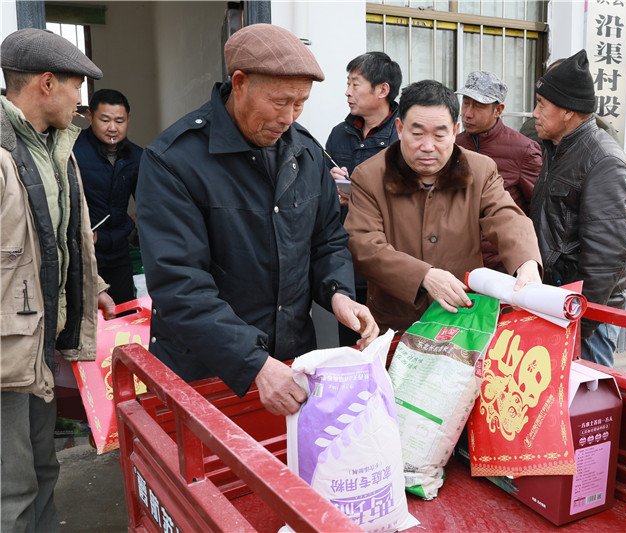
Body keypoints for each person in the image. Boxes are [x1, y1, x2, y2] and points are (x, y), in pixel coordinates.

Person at [136, 24, 378, 417]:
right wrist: (255, 363)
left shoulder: (305, 152)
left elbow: (327, 240)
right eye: (280, 101)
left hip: (291, 364)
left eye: (300, 103)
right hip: (207, 373)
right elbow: (180, 284)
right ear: (240, 83)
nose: (289, 117)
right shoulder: (174, 161)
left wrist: (339, 294)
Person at [1, 28, 114, 532]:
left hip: (39, 344)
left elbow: (58, 239)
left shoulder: (56, 148)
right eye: (76, 87)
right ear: (46, 84)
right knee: (12, 486)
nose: (81, 103)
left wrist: (97, 288)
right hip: (6, 352)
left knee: (43, 468)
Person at [345, 79, 543, 332]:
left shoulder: (480, 169)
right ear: (400, 128)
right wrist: (423, 276)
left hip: (462, 319)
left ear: (454, 131)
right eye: (417, 134)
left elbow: (506, 216)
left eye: (439, 135)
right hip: (397, 320)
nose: (428, 147)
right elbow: (364, 244)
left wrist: (526, 262)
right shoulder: (370, 175)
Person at [527, 49, 626, 368]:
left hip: (584, 317)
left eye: (541, 104)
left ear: (567, 111)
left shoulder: (604, 162)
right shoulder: (557, 149)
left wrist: (579, 323)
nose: (534, 113)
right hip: (557, 304)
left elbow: (605, 259)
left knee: (587, 396)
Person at [324, 51, 402, 346]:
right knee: (353, 347)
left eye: (355, 84)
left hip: (390, 267)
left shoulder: (403, 138)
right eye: (348, 84)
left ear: (382, 90)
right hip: (349, 264)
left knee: (390, 351)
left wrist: (355, 198)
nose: (347, 92)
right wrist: (331, 186)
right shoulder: (339, 134)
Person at [455, 70, 543, 273]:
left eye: (478, 106)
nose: (468, 113)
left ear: (498, 110)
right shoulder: (453, 146)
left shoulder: (524, 150)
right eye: (466, 103)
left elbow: (537, 211)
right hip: (458, 263)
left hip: (501, 266)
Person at [74, 88, 143, 304]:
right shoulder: (73, 152)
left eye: (119, 121)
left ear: (128, 118)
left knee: (124, 310)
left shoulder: (137, 156)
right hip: (84, 251)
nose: (112, 128)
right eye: (105, 120)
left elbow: (149, 206)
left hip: (120, 250)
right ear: (89, 116)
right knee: (86, 314)